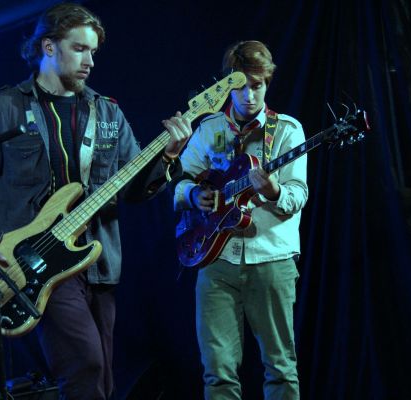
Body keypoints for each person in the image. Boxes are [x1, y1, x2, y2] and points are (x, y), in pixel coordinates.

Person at [0, 3, 191, 399]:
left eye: (93, 52)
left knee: (103, 381)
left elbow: (135, 188)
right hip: (36, 262)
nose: (90, 61)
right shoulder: (5, 108)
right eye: (80, 49)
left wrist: (167, 156)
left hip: (96, 262)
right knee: (85, 366)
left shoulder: (108, 113)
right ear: (48, 46)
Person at [173, 40, 308, 399]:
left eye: (257, 85)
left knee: (281, 368)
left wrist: (275, 190)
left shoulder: (288, 131)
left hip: (272, 259)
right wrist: (192, 195)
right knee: (217, 373)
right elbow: (181, 182)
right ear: (226, 85)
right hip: (215, 260)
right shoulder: (208, 128)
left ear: (267, 82)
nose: (249, 95)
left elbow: (299, 193)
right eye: (241, 86)